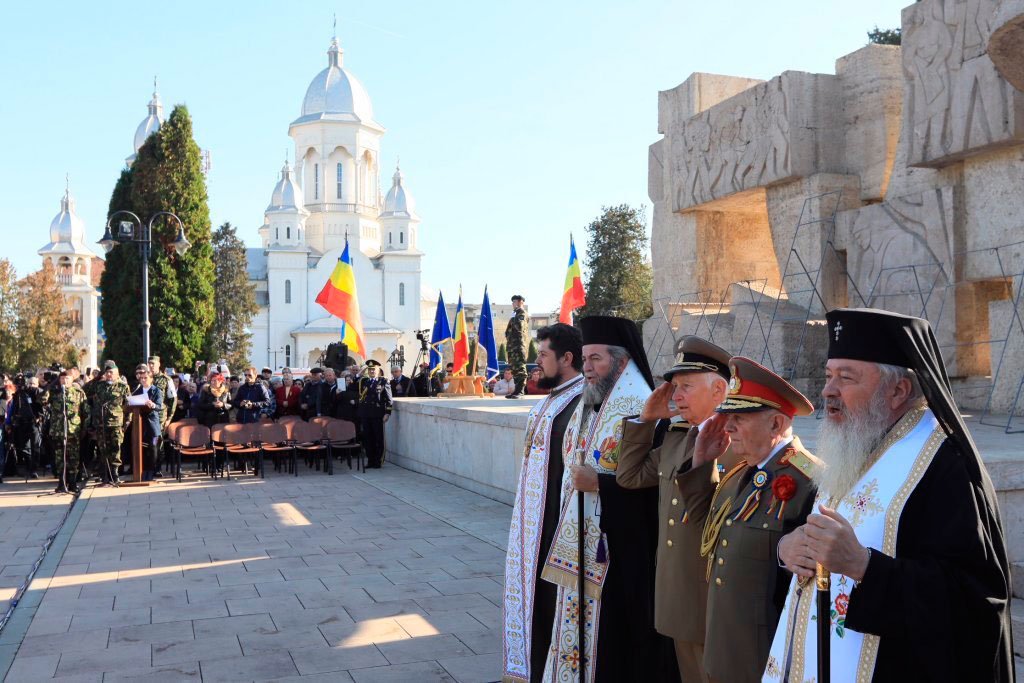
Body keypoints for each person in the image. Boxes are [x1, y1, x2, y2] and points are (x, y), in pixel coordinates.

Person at [766, 309, 1015, 683]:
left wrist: (864, 566)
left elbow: (975, 601)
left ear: (897, 390)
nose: (828, 389)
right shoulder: (853, 444)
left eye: (846, 378)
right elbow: (810, 534)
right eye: (829, 374)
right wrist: (787, 550)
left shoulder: (945, 467)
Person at [538, 315, 668, 681]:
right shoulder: (591, 402)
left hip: (620, 551)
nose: (587, 368)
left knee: (614, 643)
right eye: (585, 358)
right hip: (583, 545)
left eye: (596, 358)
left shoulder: (641, 405)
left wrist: (601, 485)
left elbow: (655, 484)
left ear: (622, 361)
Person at [676, 356, 818, 683]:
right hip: (724, 649)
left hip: (764, 660)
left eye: (739, 418)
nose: (727, 427)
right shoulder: (741, 473)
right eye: (728, 416)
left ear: (776, 425)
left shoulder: (810, 481)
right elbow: (704, 528)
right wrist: (701, 461)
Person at [617, 336, 732, 682]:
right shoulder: (679, 437)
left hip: (715, 598)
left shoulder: (736, 441)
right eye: (674, 387)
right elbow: (629, 476)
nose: (676, 396)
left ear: (719, 390)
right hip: (677, 592)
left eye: (686, 387)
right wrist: (646, 420)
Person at [502, 323, 586, 683]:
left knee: (552, 608)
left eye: (543, 356)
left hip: (555, 526)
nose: (536, 363)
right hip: (531, 526)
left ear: (567, 358)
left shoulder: (583, 401)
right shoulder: (551, 399)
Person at [47, 370, 88, 493]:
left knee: (73, 458)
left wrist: (84, 429)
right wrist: (51, 384)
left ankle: (73, 482)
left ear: (72, 380)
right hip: (58, 431)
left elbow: (86, 412)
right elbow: (42, 399)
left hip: (73, 430)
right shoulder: (54, 393)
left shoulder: (78, 393)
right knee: (60, 458)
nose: (65, 381)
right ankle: (61, 482)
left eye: (67, 379)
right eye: (62, 379)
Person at [91, 361, 130, 485]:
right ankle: (104, 476)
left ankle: (115, 474)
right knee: (103, 450)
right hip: (101, 423)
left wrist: (127, 421)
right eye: (107, 372)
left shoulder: (123, 386)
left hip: (116, 423)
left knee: (116, 449)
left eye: (111, 372)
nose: (109, 375)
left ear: (117, 374)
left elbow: (128, 405)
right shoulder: (99, 386)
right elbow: (94, 402)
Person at [357, 360, 392, 469]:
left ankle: (378, 461)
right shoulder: (364, 381)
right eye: (370, 369)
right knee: (368, 439)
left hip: (377, 414)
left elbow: (389, 399)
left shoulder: (383, 382)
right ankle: (370, 460)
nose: (372, 371)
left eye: (374, 369)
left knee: (378, 438)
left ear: (378, 371)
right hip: (366, 414)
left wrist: (387, 413)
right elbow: (354, 384)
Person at [131, 364, 164, 481]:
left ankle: (153, 470)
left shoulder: (156, 391)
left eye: (146, 378)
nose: (143, 380)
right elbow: (132, 404)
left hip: (153, 425)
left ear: (151, 379)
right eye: (142, 378)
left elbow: (160, 406)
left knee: (154, 447)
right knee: (142, 449)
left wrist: (152, 404)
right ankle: (142, 471)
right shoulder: (137, 391)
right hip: (140, 424)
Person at [10, 373, 44, 478]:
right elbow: (14, 407)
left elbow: (42, 406)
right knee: (23, 446)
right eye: (29, 383)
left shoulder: (36, 391)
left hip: (34, 422)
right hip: (22, 422)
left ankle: (34, 469)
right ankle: (29, 465)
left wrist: (39, 417)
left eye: (33, 383)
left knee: (35, 446)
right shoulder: (19, 393)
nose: (30, 385)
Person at [147, 356, 176, 477]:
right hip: (145, 416)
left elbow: (173, 399)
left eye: (153, 364)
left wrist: (169, 418)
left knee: (157, 442)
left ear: (159, 364)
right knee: (148, 443)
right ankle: (147, 467)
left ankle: (157, 467)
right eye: (149, 363)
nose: (151, 366)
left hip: (159, 417)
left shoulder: (166, 379)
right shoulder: (146, 378)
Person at [505, 294, 529, 398]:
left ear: (520, 302)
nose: (513, 304)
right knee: (514, 368)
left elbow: (519, 326)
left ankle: (521, 391)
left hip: (519, 345)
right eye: (513, 302)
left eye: (515, 302)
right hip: (512, 346)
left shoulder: (521, 313)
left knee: (520, 368)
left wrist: (513, 318)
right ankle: (516, 391)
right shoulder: (515, 314)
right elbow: (508, 332)